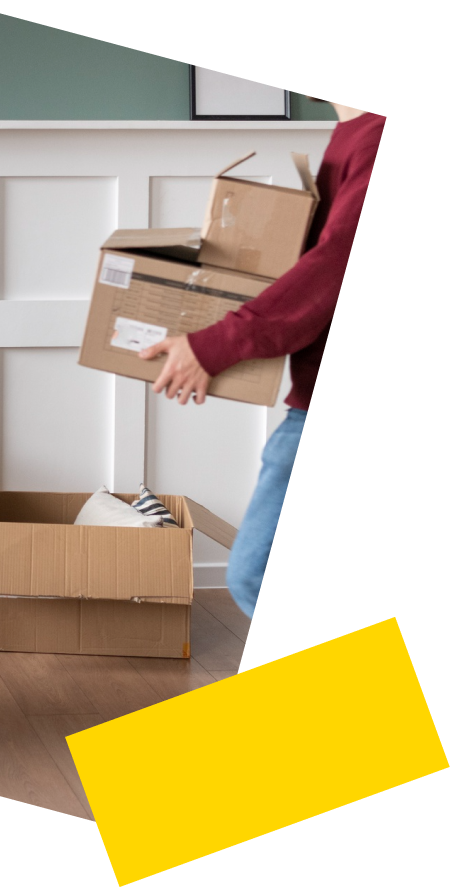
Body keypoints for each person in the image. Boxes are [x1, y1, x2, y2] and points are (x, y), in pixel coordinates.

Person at [136, 101, 385, 620]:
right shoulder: (354, 132)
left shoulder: (375, 134)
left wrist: (215, 345)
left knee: (254, 572)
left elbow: (334, 266)